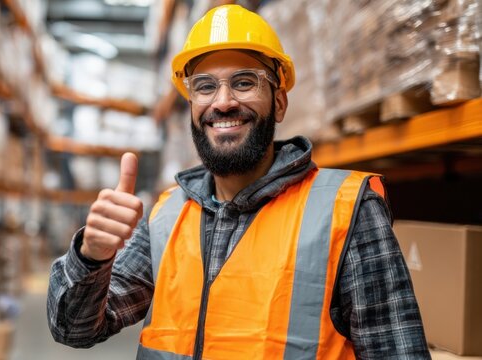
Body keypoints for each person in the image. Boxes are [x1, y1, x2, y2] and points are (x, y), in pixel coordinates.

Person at [47, 4, 430, 359]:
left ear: (279, 102)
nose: (223, 101)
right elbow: (74, 330)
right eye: (205, 86)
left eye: (245, 82)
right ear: (192, 103)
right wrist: (91, 255)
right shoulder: (167, 216)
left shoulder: (346, 211)